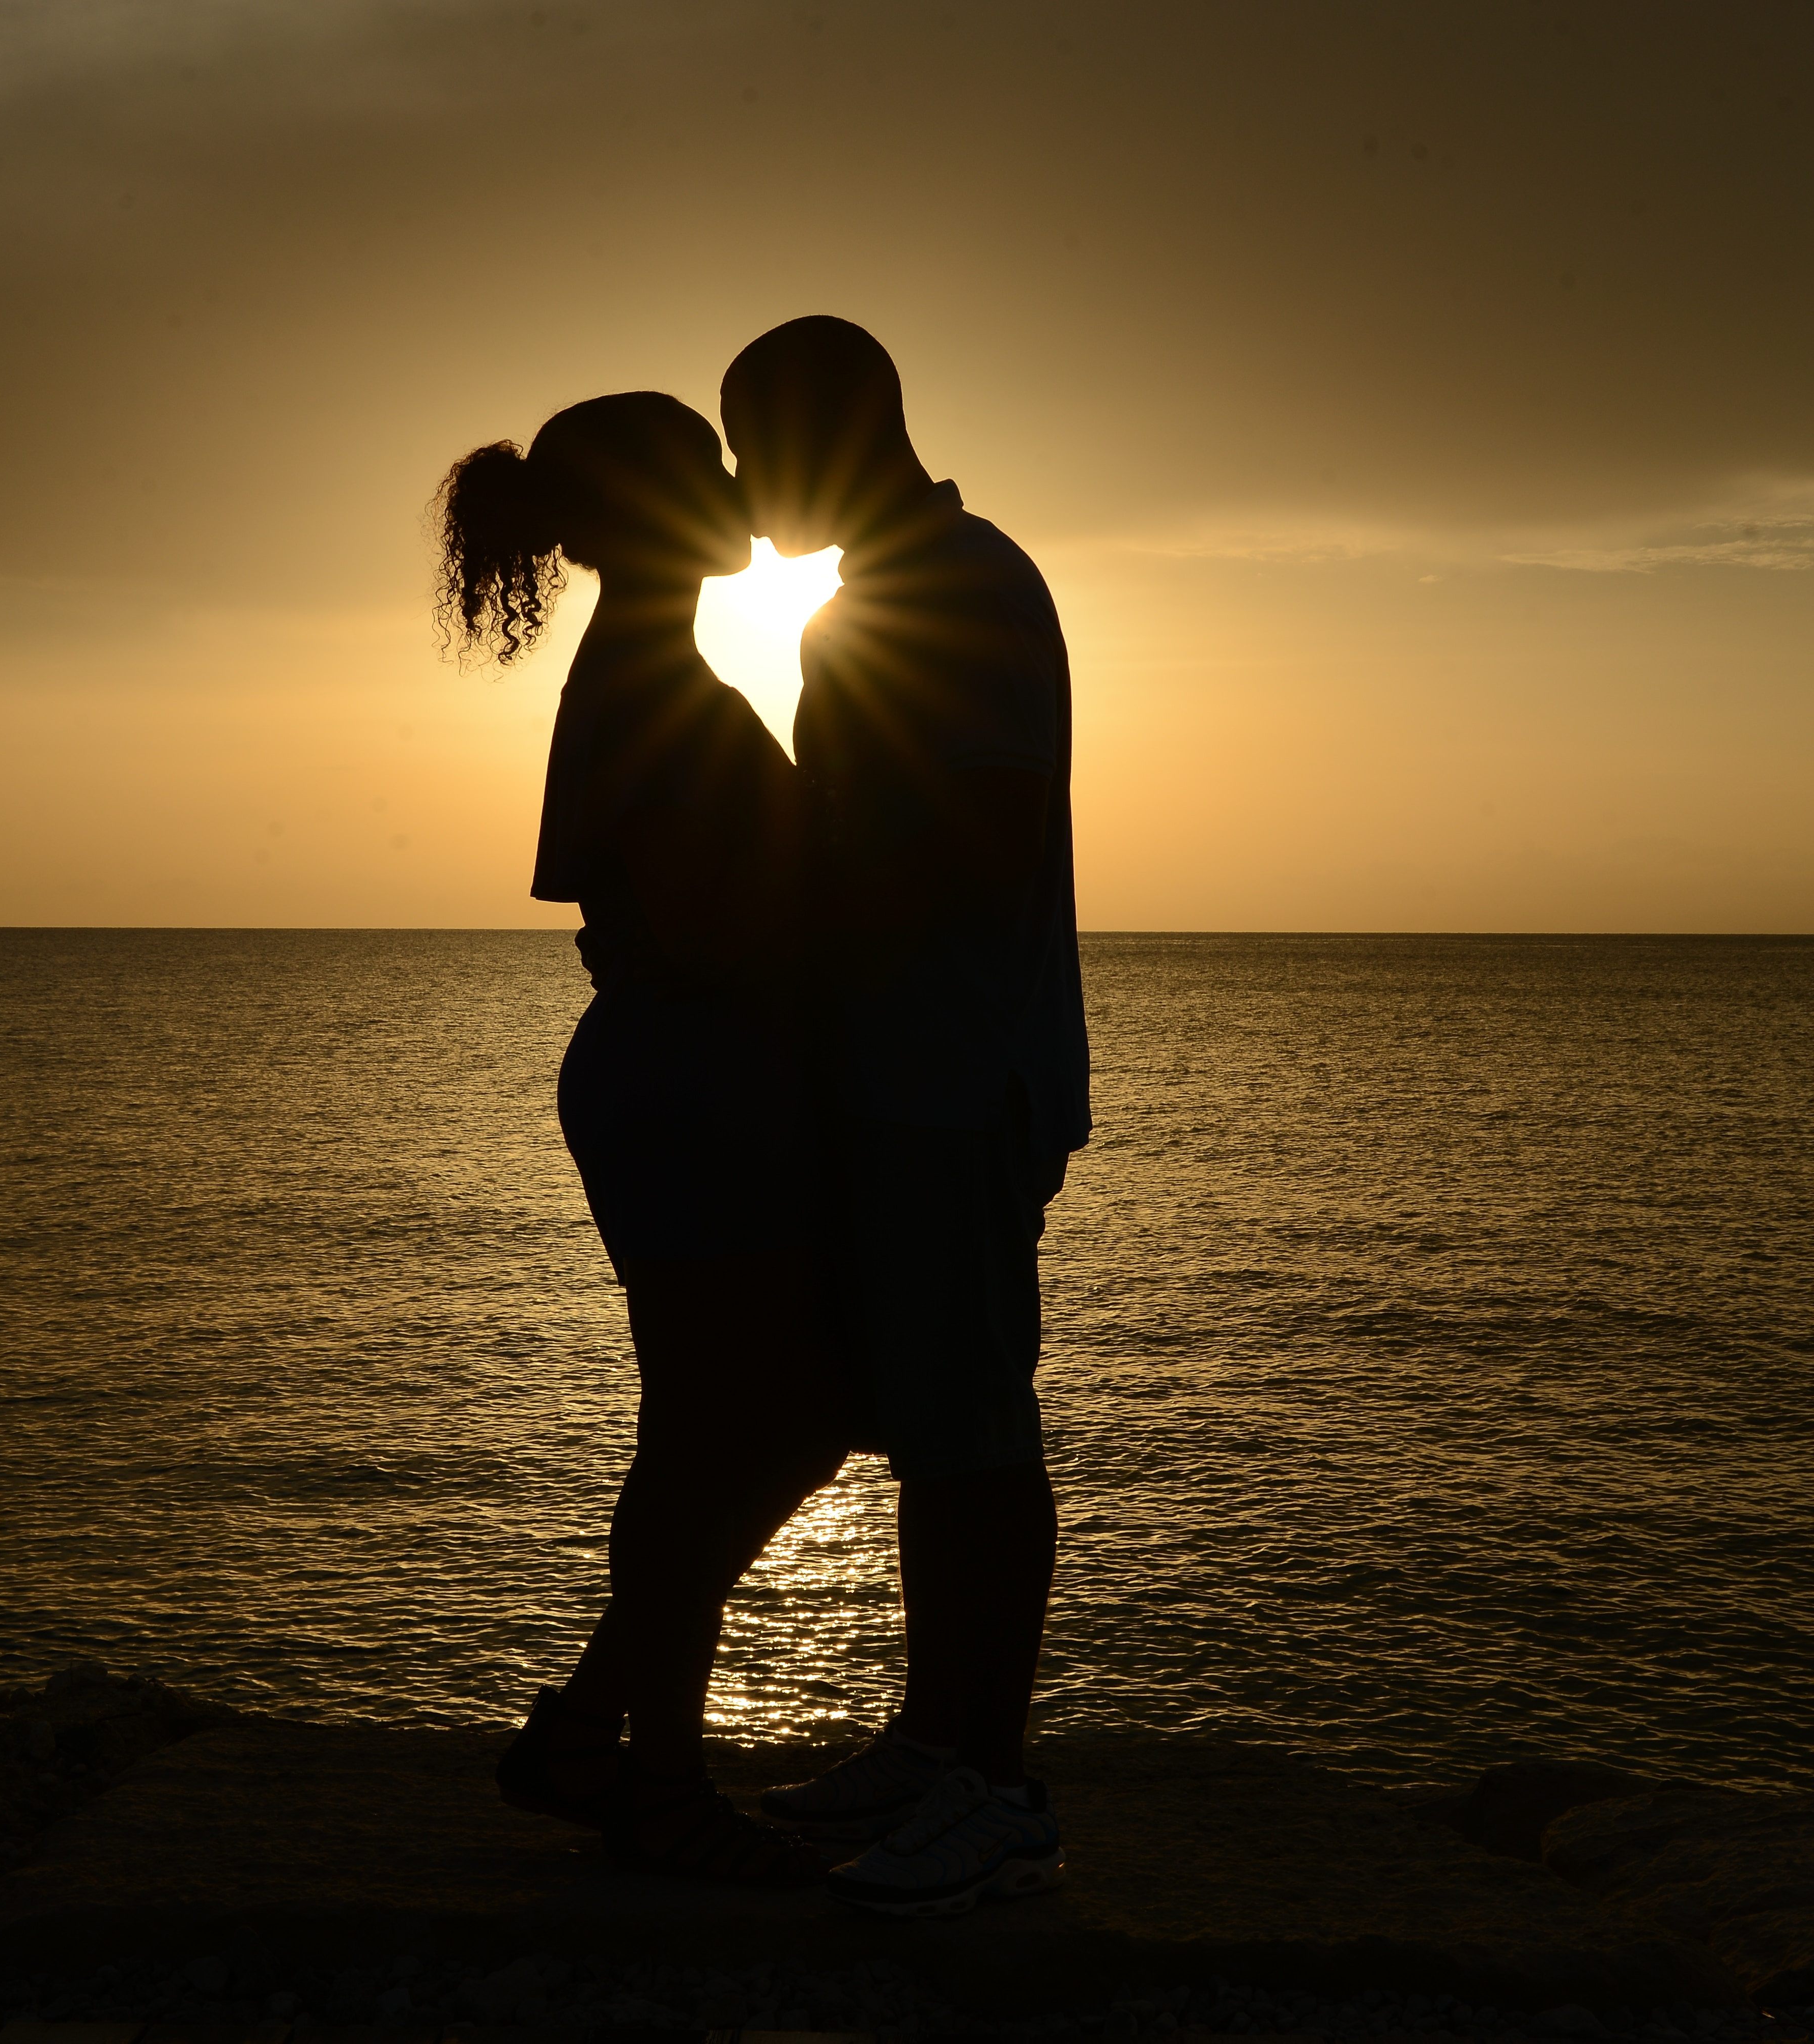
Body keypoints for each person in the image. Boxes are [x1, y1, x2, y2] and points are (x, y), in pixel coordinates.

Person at [435, 390, 847, 1887]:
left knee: (789, 1416)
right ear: (657, 505)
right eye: (711, 467)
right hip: (693, 1079)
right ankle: (655, 1781)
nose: (744, 485)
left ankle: (592, 1732)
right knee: (707, 1438)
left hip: (688, 1071)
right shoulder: (650, 686)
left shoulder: (648, 669)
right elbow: (708, 924)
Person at [723, 317, 1093, 1918]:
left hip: (957, 1073)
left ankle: (991, 1788)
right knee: (934, 1425)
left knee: (974, 1428)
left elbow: (984, 837)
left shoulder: (959, 588)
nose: (739, 484)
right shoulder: (876, 599)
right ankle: (936, 1743)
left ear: (834, 431)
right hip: (907, 1071)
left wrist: (791, 881)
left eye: (754, 447)